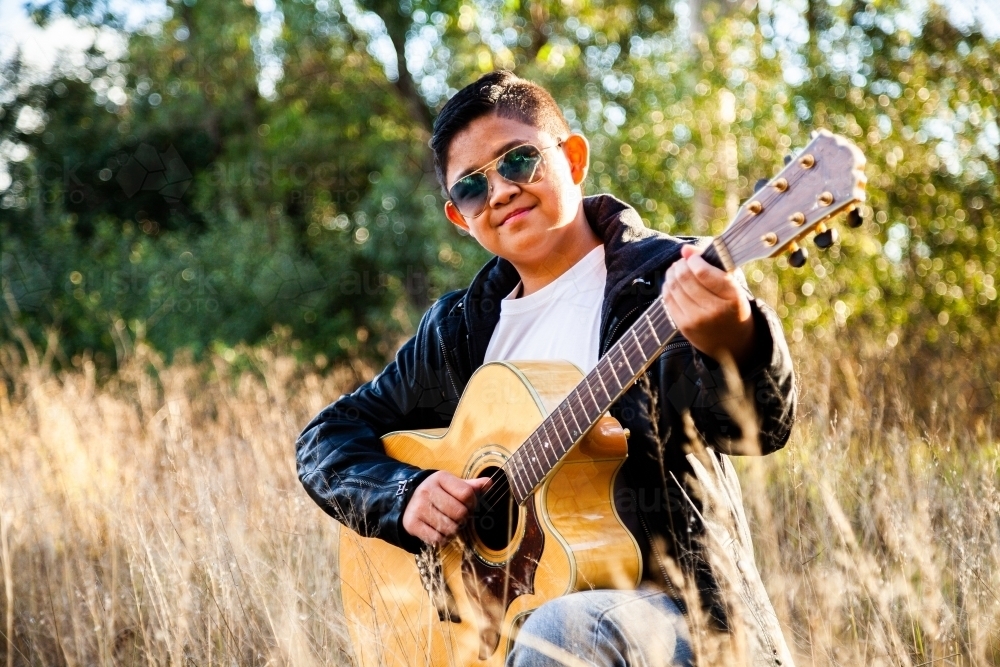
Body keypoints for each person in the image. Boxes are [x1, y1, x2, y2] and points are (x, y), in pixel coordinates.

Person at [296, 71, 796, 666]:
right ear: (460, 218)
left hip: (687, 623)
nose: (501, 191)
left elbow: (757, 426)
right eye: (473, 188)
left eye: (518, 160)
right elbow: (325, 440)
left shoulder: (666, 282)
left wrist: (732, 333)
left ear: (574, 158)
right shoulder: (459, 332)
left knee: (558, 629)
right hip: (509, 640)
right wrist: (403, 493)